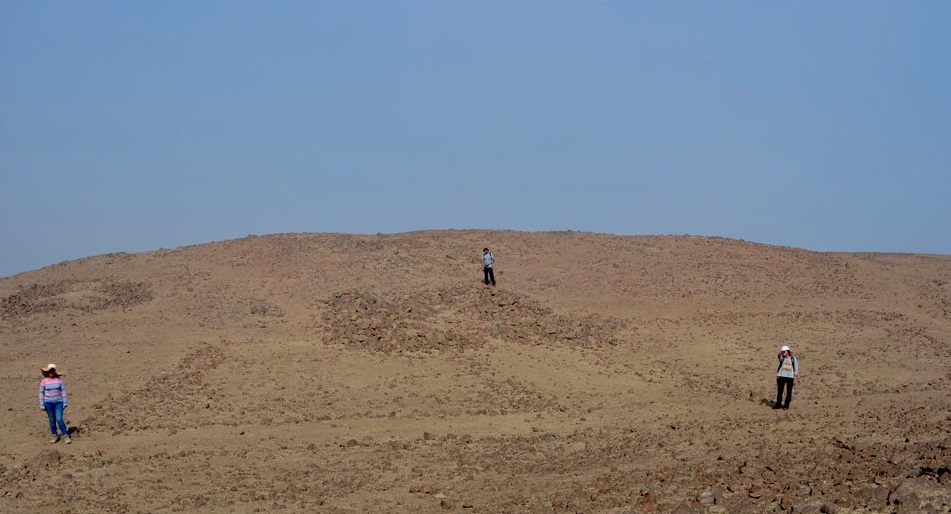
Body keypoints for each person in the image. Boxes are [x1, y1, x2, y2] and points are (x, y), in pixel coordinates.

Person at [39, 363, 71, 444]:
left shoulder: (59, 381)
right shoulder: (44, 382)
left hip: (58, 402)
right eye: (50, 370)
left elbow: (63, 392)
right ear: (47, 371)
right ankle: (54, 435)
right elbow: (41, 393)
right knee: (52, 420)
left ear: (55, 371)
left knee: (59, 419)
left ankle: (65, 435)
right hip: (48, 403)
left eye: (52, 370)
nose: (51, 372)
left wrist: (65, 402)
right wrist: (42, 404)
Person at [773, 346, 799, 410]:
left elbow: (796, 369)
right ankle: (778, 404)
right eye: (783, 351)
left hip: (790, 377)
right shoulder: (782, 358)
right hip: (781, 376)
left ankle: (786, 405)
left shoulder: (793, 359)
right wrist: (781, 352)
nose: (783, 353)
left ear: (788, 351)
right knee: (780, 392)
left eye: (785, 351)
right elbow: (778, 355)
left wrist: (795, 379)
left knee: (789, 392)